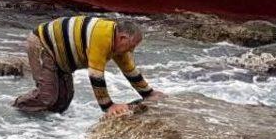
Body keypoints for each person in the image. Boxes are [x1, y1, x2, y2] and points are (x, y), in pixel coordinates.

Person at [14, 16, 164, 117]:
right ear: (123, 38)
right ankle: (17, 108)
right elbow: (96, 75)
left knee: (63, 101)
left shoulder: (119, 44)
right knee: (47, 96)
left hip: (62, 55)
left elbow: (130, 71)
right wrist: (108, 106)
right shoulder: (102, 37)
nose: (131, 50)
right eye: (131, 46)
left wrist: (149, 94)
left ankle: (38, 124)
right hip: (43, 44)